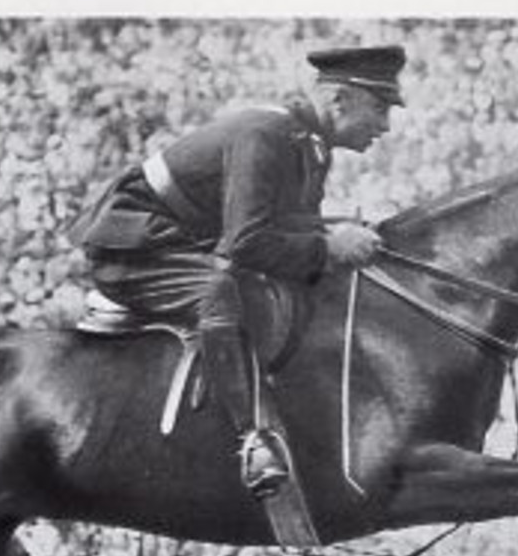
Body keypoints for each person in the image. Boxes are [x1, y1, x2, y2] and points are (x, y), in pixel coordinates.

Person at [70, 44, 404, 496]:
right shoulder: (267, 135)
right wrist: (328, 248)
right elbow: (246, 243)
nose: (384, 125)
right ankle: (253, 439)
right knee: (218, 290)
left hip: (181, 241)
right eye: (379, 107)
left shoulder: (311, 148)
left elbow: (284, 228)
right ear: (338, 99)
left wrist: (339, 232)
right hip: (135, 246)